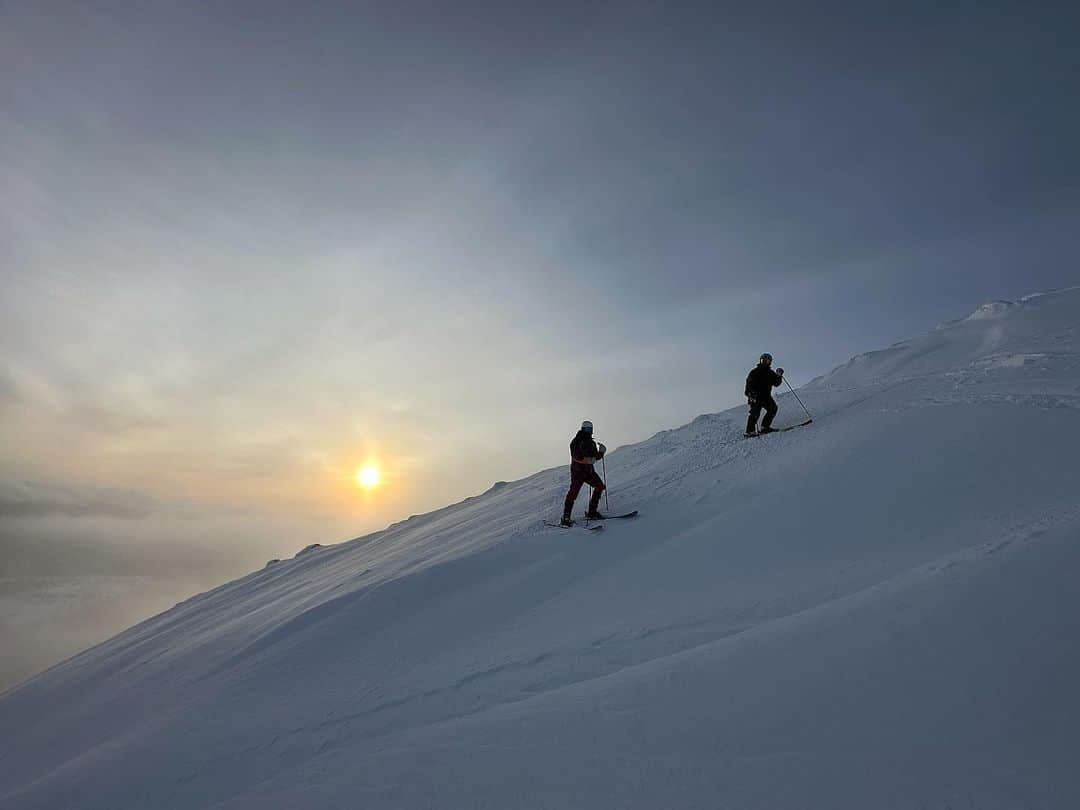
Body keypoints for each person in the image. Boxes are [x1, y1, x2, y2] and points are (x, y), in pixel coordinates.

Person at [561, 420, 606, 526]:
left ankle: (592, 512)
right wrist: (588, 460)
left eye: (590, 429)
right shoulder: (576, 441)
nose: (589, 431)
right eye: (587, 429)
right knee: (573, 493)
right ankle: (566, 517)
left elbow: (595, 457)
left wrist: (601, 452)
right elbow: (576, 457)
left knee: (599, 486)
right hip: (578, 472)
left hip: (588, 471)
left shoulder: (591, 442)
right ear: (583, 429)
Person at [745, 353, 785, 436]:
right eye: (763, 360)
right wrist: (750, 393)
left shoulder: (770, 373)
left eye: (766, 360)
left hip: (766, 396)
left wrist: (779, 375)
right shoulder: (755, 372)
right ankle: (750, 431)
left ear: (770, 362)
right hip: (756, 396)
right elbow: (749, 384)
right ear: (760, 360)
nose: (764, 362)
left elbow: (776, 383)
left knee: (773, 408)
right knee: (755, 413)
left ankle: (765, 427)